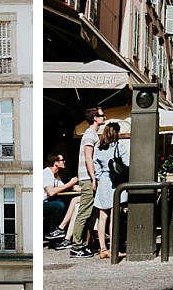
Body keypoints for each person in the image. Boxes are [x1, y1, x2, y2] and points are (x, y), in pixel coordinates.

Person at [69, 106, 105, 258]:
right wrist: (93, 178)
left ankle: (83, 243)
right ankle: (76, 245)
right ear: (95, 118)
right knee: (84, 212)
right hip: (87, 178)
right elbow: (88, 157)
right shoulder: (90, 135)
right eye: (102, 115)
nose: (105, 117)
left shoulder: (92, 134)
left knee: (91, 212)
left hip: (88, 177)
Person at [93, 121, 130, 259]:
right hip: (117, 184)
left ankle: (102, 249)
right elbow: (127, 164)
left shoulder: (99, 148)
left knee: (102, 217)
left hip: (103, 182)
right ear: (116, 133)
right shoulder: (120, 147)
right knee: (115, 218)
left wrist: (99, 178)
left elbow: (96, 168)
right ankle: (113, 248)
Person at [43, 153, 78, 241]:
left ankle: (60, 231)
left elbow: (63, 187)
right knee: (59, 206)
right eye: (62, 160)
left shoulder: (55, 174)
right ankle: (53, 233)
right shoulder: (47, 173)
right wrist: (70, 183)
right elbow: (51, 192)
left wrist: (75, 187)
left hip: (48, 201)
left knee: (67, 203)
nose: (64, 161)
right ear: (56, 163)